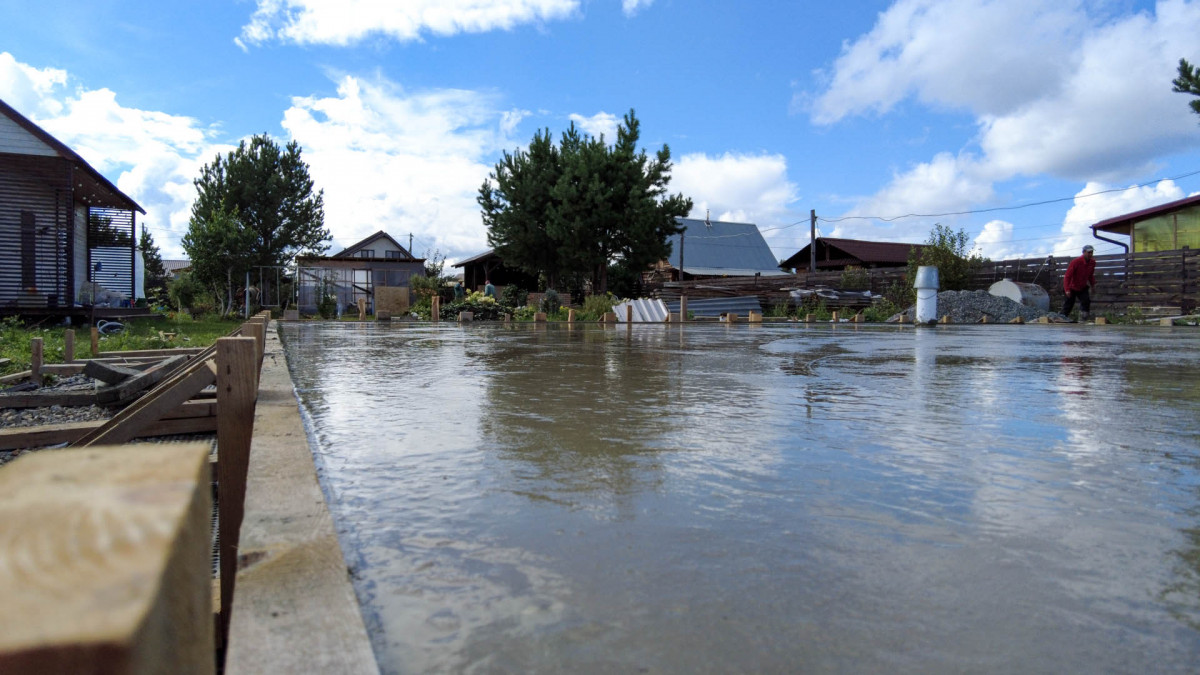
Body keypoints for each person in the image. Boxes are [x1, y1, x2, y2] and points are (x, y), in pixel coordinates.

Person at [1062, 244, 1097, 321]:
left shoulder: (1092, 262)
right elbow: (1067, 276)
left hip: (1082, 286)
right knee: (1068, 304)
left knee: (1086, 301)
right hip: (1072, 287)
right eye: (1089, 252)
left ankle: (1083, 318)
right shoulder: (1076, 262)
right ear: (1084, 252)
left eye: (1091, 252)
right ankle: (1062, 319)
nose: (1090, 254)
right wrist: (1067, 289)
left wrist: (1093, 286)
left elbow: (1090, 275)